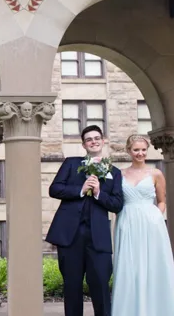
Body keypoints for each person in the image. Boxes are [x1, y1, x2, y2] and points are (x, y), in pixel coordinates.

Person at [46, 125, 124, 316]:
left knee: (101, 285)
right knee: (72, 286)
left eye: (97, 138)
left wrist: (98, 193)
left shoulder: (114, 172)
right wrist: (80, 189)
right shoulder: (71, 163)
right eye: (89, 139)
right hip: (70, 236)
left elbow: (117, 204)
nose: (93, 141)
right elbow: (54, 189)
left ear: (103, 141)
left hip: (98, 238)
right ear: (83, 144)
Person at [111, 135, 174, 316]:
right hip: (127, 222)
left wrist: (157, 217)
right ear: (128, 151)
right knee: (129, 266)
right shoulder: (119, 174)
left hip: (152, 224)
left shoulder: (156, 174)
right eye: (136, 150)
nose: (140, 153)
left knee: (153, 266)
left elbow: (162, 200)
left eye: (143, 149)